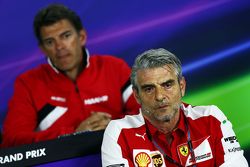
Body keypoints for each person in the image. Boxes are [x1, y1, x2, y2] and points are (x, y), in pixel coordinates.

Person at [1, 4, 139, 148]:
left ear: (82, 37)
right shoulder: (28, 83)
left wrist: (112, 126)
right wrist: (72, 134)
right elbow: (12, 141)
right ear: (43, 49)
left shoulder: (114, 67)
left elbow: (147, 114)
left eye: (66, 36)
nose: (59, 47)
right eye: (50, 42)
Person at [101, 48, 248, 167]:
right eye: (149, 89)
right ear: (137, 95)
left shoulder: (211, 118)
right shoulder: (119, 132)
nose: (160, 96)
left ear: (182, 87)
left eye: (167, 85)